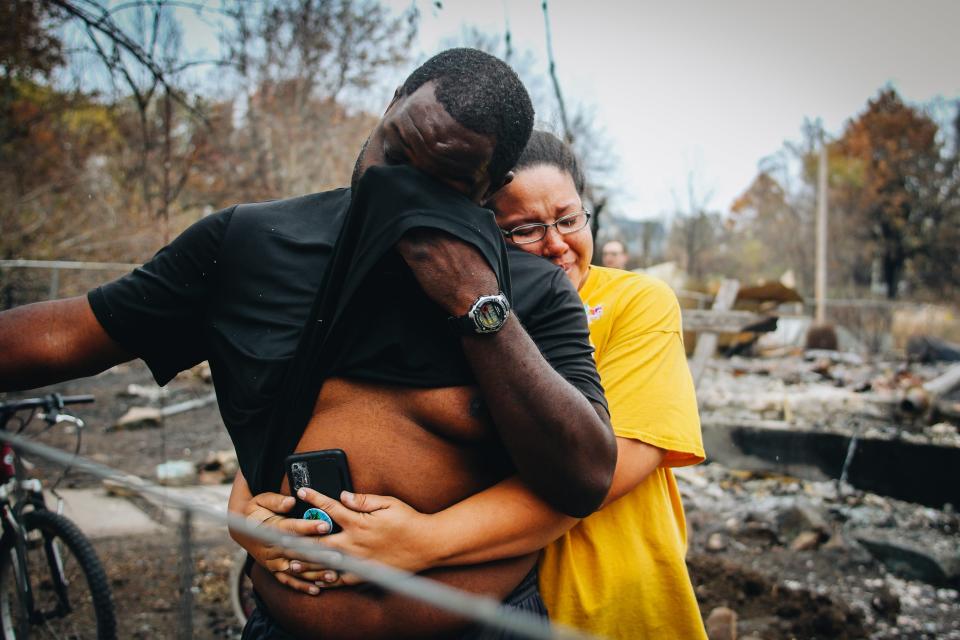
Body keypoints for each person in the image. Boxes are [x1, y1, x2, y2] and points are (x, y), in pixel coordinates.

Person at [0, 50, 617, 639]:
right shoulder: (249, 245)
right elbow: (69, 332)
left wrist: (476, 304)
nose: (400, 189)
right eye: (396, 153)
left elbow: (583, 476)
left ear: (492, 184)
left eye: (443, 182)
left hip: (486, 630)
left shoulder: (529, 292)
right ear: (389, 106)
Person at [267, 131, 707, 638]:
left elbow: (602, 473)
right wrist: (251, 513)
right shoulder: (442, 308)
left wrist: (423, 539)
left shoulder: (637, 303)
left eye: (569, 218)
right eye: (523, 231)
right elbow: (319, 404)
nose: (557, 244)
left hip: (601, 601)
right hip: (487, 608)